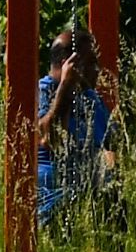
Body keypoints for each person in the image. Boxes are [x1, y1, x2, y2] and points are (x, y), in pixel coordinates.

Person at [32, 29, 118, 229]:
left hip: (87, 195)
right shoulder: (40, 92)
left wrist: (111, 168)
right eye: (90, 63)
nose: (97, 69)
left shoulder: (91, 99)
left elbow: (109, 144)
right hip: (55, 204)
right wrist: (65, 88)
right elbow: (48, 137)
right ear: (68, 64)